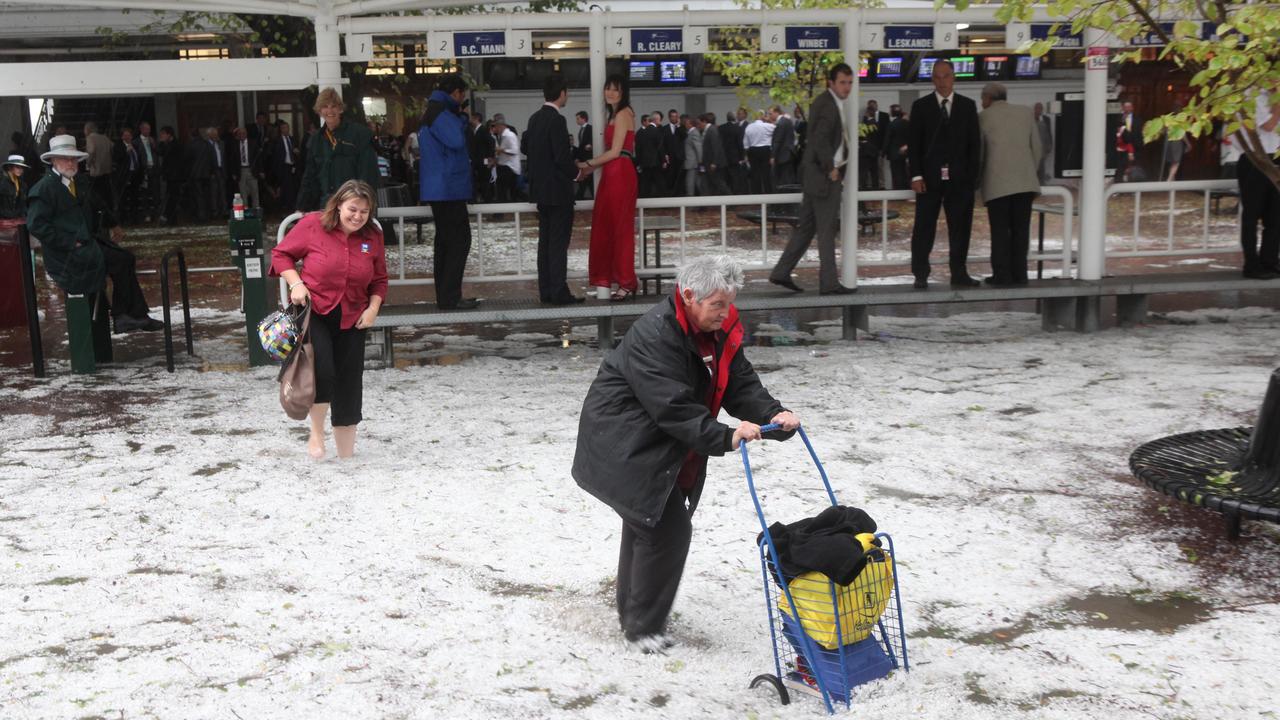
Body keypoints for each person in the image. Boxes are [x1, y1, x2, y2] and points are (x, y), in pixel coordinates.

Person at [572, 255, 800, 653]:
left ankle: (634, 615)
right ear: (689, 296)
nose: (725, 313)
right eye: (717, 305)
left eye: (729, 303)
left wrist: (771, 415)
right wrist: (726, 436)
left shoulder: (718, 328)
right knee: (665, 528)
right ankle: (644, 630)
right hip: (622, 441)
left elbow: (739, 383)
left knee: (648, 521)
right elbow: (673, 407)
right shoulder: (655, 335)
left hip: (653, 441)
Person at [270, 179, 387, 459]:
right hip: (316, 312)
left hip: (354, 317)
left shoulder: (372, 236)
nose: (357, 216)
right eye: (353, 209)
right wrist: (296, 283)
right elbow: (281, 255)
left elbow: (380, 279)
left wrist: (372, 309)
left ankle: (347, 455)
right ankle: (316, 432)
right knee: (323, 370)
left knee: (349, 380)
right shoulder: (313, 225)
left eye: (364, 211)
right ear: (338, 205)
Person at [25, 135, 163, 332]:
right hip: (66, 255)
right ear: (53, 161)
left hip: (87, 245)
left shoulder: (79, 183)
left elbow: (98, 205)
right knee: (121, 260)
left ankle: (130, 315)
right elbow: (37, 225)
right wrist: (70, 243)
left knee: (124, 258)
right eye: (65, 158)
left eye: (74, 158)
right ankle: (126, 315)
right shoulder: (44, 189)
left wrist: (113, 224)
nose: (71, 163)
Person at [769, 63, 857, 296]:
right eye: (842, 82)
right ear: (831, 83)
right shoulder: (829, 105)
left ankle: (781, 272)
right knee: (826, 231)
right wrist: (831, 167)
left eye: (849, 82)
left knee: (806, 228)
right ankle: (829, 284)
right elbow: (820, 138)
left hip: (814, 176)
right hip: (824, 177)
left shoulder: (825, 102)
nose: (847, 87)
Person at [908, 59, 982, 289]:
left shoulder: (968, 106)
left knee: (960, 228)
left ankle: (959, 273)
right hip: (928, 179)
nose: (942, 81)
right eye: (937, 77)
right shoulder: (921, 107)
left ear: (954, 77)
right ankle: (920, 273)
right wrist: (916, 175)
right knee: (923, 227)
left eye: (946, 76)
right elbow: (914, 144)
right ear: (932, 79)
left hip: (960, 180)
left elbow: (974, 145)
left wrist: (971, 178)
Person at [419, 74, 479, 310]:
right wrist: (463, 119)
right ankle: (450, 296)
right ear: (454, 92)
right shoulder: (442, 112)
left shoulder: (432, 111)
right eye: (461, 93)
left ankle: (446, 296)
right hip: (448, 187)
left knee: (445, 242)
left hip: (439, 188)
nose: (462, 98)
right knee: (459, 241)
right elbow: (456, 140)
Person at [578, 74, 639, 302]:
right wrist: (589, 169)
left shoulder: (623, 113)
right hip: (613, 172)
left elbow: (615, 152)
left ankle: (626, 281)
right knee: (608, 225)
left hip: (620, 172)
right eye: (608, 88)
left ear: (623, 92)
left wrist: (587, 164)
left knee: (620, 228)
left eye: (616, 89)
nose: (610, 92)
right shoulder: (615, 114)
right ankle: (619, 279)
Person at [524, 75, 584, 306]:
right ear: (561, 93)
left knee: (545, 243)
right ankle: (559, 291)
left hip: (540, 190)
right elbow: (561, 156)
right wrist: (577, 173)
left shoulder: (534, 118)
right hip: (558, 192)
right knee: (558, 244)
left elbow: (527, 147)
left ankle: (547, 290)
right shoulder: (557, 121)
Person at [977, 83, 1042, 286]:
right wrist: (1028, 171)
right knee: (1021, 231)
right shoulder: (1025, 113)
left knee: (999, 232)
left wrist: (978, 181)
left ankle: (1002, 275)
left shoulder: (983, 117)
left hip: (997, 185)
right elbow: (1037, 149)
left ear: (988, 98)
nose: (982, 102)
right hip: (1025, 183)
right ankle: (1020, 274)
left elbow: (980, 154)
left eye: (982, 98)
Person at [298, 88, 380, 212]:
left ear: (340, 109)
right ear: (319, 111)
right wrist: (302, 207)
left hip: (353, 206)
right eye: (325, 106)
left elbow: (368, 174)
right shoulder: (316, 140)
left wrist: (364, 205)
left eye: (334, 106)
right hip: (326, 206)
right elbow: (309, 177)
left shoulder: (359, 134)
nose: (329, 111)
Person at [1237, 87, 1280, 279]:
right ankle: (1252, 265)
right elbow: (1268, 126)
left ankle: (1270, 261)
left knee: (1275, 216)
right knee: (1252, 216)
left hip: (1277, 157)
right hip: (1255, 159)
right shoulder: (1251, 96)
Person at [156, 126, 184, 226]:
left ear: (169, 134)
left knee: (173, 197)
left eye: (163, 134)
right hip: (171, 176)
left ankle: (169, 217)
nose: (161, 136)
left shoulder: (176, 145)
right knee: (171, 197)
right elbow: (160, 152)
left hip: (175, 176)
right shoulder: (169, 145)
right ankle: (170, 218)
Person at [635, 111, 666, 199]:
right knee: (660, 182)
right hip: (655, 162)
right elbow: (660, 148)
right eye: (660, 120)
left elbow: (638, 148)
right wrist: (663, 160)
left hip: (645, 162)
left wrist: (639, 161)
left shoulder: (642, 132)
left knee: (645, 183)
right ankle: (665, 201)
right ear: (656, 120)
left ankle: (644, 203)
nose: (660, 122)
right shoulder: (656, 131)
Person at [858, 100, 889, 190]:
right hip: (873, 150)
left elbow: (862, 134)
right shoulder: (871, 122)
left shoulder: (869, 123)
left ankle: (866, 187)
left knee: (867, 170)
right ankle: (875, 187)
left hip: (869, 150)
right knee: (874, 170)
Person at [231, 127, 263, 211]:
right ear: (237, 135)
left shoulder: (253, 143)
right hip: (241, 170)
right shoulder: (235, 144)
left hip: (251, 169)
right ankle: (245, 210)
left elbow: (259, 158)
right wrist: (234, 172)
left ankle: (256, 209)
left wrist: (260, 170)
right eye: (240, 134)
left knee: (254, 190)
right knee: (242, 192)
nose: (242, 135)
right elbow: (232, 159)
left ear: (246, 134)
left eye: (243, 133)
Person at [697, 114, 729, 196]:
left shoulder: (712, 130)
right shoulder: (708, 130)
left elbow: (716, 147)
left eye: (699, 123)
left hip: (713, 163)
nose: (698, 126)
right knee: (705, 183)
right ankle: (703, 205)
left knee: (719, 183)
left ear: (704, 121)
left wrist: (714, 162)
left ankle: (731, 200)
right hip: (707, 163)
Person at [743, 111, 774, 194]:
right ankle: (768, 193)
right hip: (766, 150)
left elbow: (746, 144)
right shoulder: (768, 126)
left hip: (753, 150)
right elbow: (777, 130)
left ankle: (757, 194)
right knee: (766, 173)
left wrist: (746, 154)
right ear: (763, 116)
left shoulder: (749, 127)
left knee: (755, 174)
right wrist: (769, 121)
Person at [492, 116, 521, 202]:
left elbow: (515, 150)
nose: (495, 129)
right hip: (505, 166)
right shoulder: (503, 136)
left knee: (502, 191)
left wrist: (501, 150)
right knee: (505, 191)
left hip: (508, 167)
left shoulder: (509, 136)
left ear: (500, 126)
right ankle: (501, 212)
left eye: (495, 126)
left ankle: (500, 213)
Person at [1114, 100, 1144, 182]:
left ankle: (1133, 187)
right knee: (1120, 168)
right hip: (1121, 148)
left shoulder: (1138, 119)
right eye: (1125, 106)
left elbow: (1140, 134)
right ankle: (1119, 187)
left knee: (1134, 168)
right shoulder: (1118, 119)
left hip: (1135, 147)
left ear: (1132, 108)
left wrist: (1139, 146)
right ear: (1123, 108)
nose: (1127, 108)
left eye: (1129, 106)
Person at [770, 105, 797, 188]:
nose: (770, 116)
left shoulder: (781, 123)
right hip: (789, 152)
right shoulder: (787, 121)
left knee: (784, 177)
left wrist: (773, 156)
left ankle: (786, 194)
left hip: (783, 154)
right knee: (789, 175)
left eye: (771, 113)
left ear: (776, 112)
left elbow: (777, 141)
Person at [885, 104, 910, 190]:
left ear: (892, 112)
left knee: (896, 173)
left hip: (894, 153)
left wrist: (883, 152)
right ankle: (905, 190)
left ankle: (897, 192)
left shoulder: (892, 124)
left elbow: (887, 139)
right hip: (906, 152)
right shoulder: (908, 123)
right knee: (904, 172)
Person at [1, 154, 29, 219]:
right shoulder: (2, 183)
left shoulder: (22, 185)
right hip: (3, 221)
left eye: (22, 167)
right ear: (10, 167)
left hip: (17, 220)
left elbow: (23, 205)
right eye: (17, 167)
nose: (20, 170)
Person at [575, 111, 594, 200]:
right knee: (587, 179)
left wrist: (590, 145)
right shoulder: (581, 130)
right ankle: (581, 196)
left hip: (589, 158)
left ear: (583, 118)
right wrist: (578, 157)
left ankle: (579, 197)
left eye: (578, 118)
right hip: (583, 158)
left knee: (587, 179)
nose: (576, 120)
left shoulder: (590, 128)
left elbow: (592, 140)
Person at [682, 114, 702, 197]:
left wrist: (700, 161)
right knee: (695, 182)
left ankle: (690, 200)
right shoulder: (691, 133)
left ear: (690, 124)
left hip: (692, 163)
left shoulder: (694, 133)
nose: (685, 125)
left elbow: (698, 148)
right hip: (692, 162)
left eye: (686, 123)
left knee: (690, 182)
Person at [1034, 102, 1054, 184]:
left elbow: (1049, 132)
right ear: (1034, 109)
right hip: (1033, 148)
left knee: (1042, 167)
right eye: (1037, 108)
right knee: (1034, 167)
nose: (1039, 110)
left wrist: (1050, 145)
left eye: (1040, 108)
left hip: (1043, 147)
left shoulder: (1046, 119)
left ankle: (1042, 184)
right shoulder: (1030, 118)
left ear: (1042, 110)